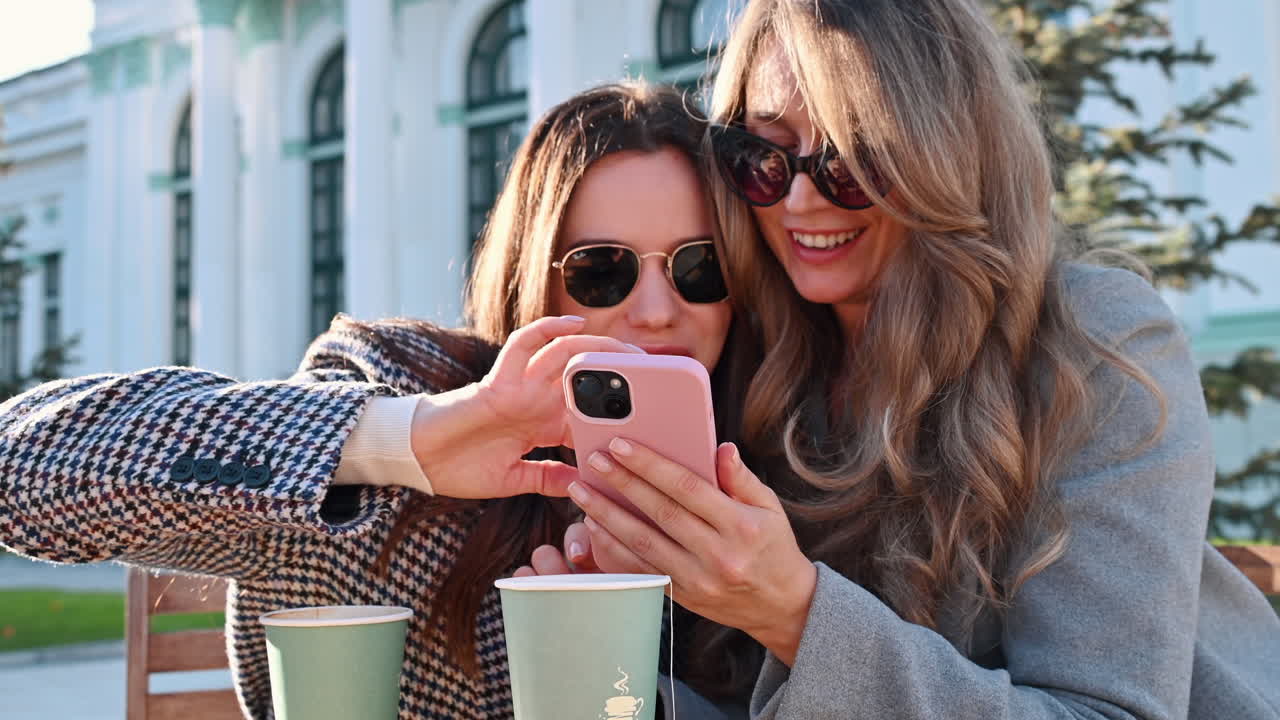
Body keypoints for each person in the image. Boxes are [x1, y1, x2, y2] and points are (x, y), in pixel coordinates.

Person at [552, 2, 1280, 719]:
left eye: (853, 160)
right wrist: (611, 667)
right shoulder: (757, 362)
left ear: (947, 153)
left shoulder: (1093, 343)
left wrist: (795, 614)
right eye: (765, 158)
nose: (801, 201)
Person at [0, 83, 738, 719]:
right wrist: (411, 441)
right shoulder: (401, 383)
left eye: (698, 267)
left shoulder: (776, 467)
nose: (654, 310)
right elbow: (19, 469)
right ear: (528, 281)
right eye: (601, 270)